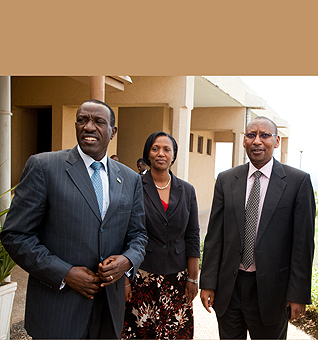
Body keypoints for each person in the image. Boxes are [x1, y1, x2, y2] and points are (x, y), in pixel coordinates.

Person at [0, 99, 148, 339]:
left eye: (99, 121)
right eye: (82, 120)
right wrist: (65, 273)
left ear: (113, 131)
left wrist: (127, 261)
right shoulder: (44, 167)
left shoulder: (130, 179)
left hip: (108, 309)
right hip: (57, 311)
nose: (89, 127)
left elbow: (138, 235)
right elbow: (16, 235)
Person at [200, 116, 315, 339]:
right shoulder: (226, 179)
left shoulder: (297, 182)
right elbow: (215, 236)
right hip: (229, 288)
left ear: (277, 141)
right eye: (251, 135)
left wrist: (298, 294)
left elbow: (303, 244)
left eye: (265, 135)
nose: (257, 141)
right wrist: (208, 283)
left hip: (272, 291)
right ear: (244, 141)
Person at [122, 131, 200, 339]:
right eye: (155, 148)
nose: (161, 153)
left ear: (173, 155)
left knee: (174, 333)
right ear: (148, 153)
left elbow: (192, 235)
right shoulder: (134, 186)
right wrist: (125, 280)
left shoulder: (187, 190)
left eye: (167, 149)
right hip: (142, 276)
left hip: (177, 278)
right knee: (141, 333)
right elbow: (123, 234)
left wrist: (193, 277)